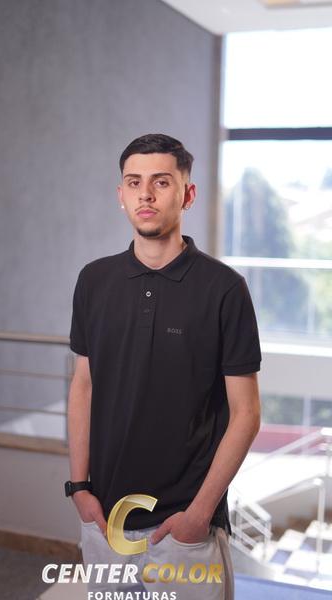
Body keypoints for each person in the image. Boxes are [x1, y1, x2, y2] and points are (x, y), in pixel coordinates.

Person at [66, 133, 262, 599]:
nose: (146, 195)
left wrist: (199, 514)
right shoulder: (94, 280)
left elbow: (247, 414)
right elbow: (83, 386)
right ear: (121, 195)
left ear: (187, 194)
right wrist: (79, 487)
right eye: (134, 182)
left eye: (161, 182)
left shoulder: (224, 289)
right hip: (106, 521)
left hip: (184, 529)